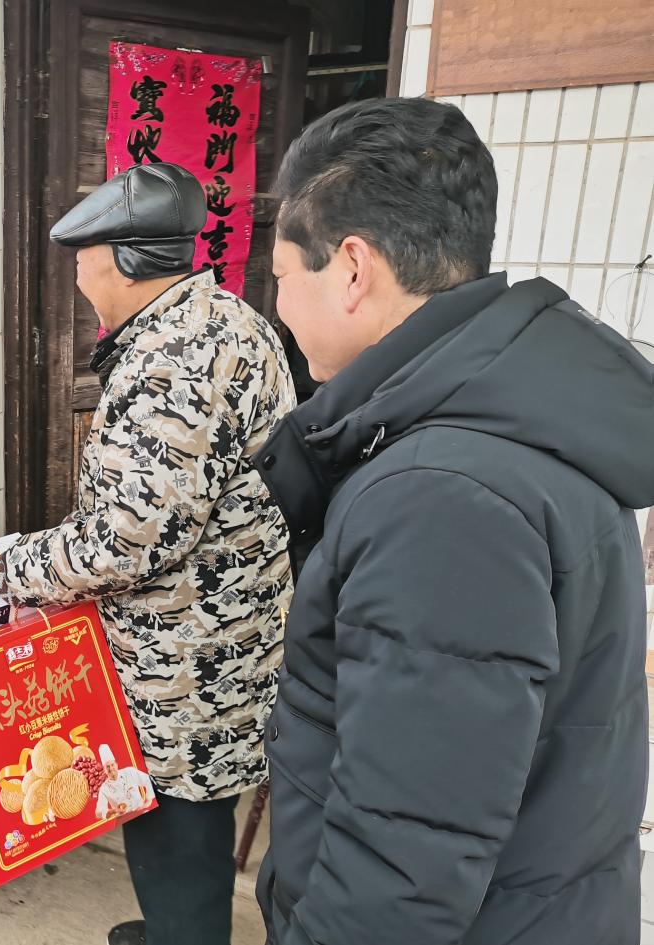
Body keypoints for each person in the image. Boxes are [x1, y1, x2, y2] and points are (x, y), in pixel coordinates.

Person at [254, 96, 652, 945]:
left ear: (352, 268)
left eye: (281, 275)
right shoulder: (522, 415)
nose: (276, 304)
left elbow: (400, 868)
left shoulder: (439, 495)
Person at [0, 162, 296, 945]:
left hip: (186, 665)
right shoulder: (231, 318)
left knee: (177, 835)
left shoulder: (171, 360)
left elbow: (129, 540)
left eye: (84, 256)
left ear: (122, 261)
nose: (78, 273)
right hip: (227, 639)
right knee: (190, 828)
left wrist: (7, 565)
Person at [93, 745, 154, 820]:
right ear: (104, 770)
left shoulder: (130, 772)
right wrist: (114, 811)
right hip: (123, 819)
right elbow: (98, 813)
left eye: (112, 765)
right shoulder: (104, 788)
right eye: (107, 767)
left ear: (117, 765)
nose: (111, 768)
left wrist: (148, 801)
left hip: (140, 811)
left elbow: (148, 780)